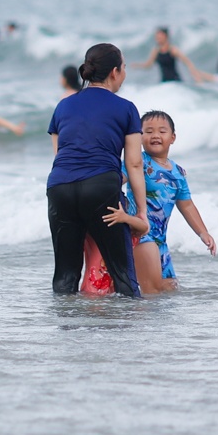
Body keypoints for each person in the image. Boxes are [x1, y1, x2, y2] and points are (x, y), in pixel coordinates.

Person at [46, 42, 146, 298]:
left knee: (65, 277)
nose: (124, 73)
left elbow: (60, 156)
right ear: (115, 72)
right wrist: (141, 212)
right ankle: (136, 334)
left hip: (60, 188)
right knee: (123, 276)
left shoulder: (63, 106)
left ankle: (65, 333)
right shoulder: (126, 108)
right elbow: (134, 163)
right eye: (123, 67)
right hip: (101, 187)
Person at [108, 110, 216, 292]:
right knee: (151, 292)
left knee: (169, 290)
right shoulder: (137, 162)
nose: (155, 135)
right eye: (148, 131)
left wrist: (203, 233)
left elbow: (187, 205)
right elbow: (113, 183)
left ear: (173, 137)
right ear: (140, 137)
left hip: (161, 241)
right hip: (141, 234)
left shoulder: (178, 172)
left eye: (162, 131)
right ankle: (137, 319)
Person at [134, 27, 212, 84]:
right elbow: (148, 65)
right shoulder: (156, 51)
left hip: (175, 82)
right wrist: (137, 65)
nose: (158, 39)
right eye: (157, 37)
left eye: (160, 37)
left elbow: (187, 62)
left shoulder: (173, 49)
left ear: (166, 36)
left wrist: (196, 76)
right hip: (164, 83)